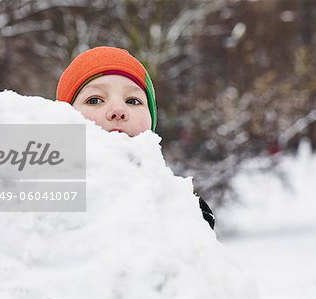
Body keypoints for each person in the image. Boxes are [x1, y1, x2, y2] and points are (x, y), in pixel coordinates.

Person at [56, 46, 214, 230]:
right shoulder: (41, 203)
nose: (118, 111)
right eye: (94, 100)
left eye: (132, 101)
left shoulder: (185, 211)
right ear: (62, 117)